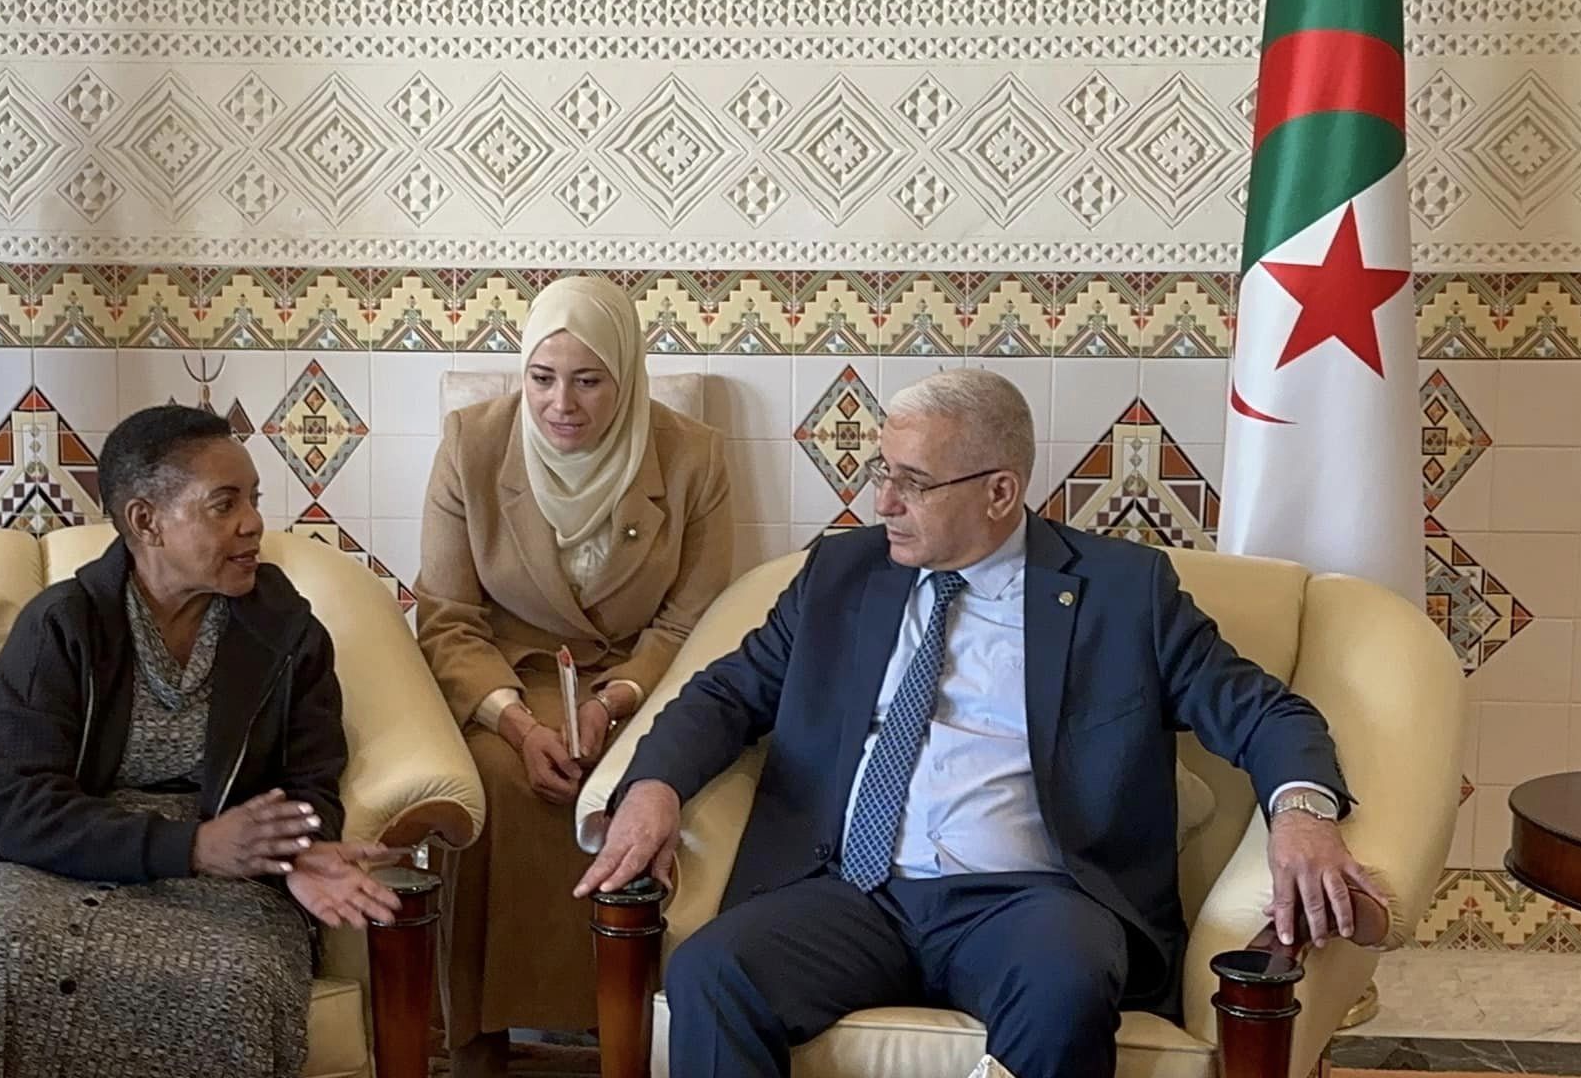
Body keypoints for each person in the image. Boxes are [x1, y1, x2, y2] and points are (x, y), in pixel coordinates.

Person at [576, 369, 1381, 1078]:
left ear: (1000, 492)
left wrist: (1304, 814)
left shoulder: (1121, 593)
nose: (883, 502)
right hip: (852, 896)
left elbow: (1263, 712)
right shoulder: (840, 574)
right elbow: (726, 694)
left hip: (1031, 902)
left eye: (914, 482)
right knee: (715, 972)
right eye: (883, 474)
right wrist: (654, 786)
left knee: (1064, 985)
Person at [0, 404, 402, 1078]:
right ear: (146, 521)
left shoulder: (289, 635)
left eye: (252, 499)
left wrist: (297, 853)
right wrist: (190, 847)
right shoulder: (60, 627)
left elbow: (311, 781)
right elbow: (20, 808)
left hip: (231, 879)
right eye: (223, 505)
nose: (252, 522)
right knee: (4, 949)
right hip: (52, 864)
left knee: (239, 975)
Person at [416, 275, 735, 1075]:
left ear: (626, 378)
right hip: (506, 679)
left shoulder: (693, 456)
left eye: (589, 380)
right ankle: (478, 1037)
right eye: (542, 377)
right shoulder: (472, 443)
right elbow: (448, 616)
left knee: (636, 780)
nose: (563, 404)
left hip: (643, 681)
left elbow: (689, 622)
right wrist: (517, 725)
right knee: (492, 781)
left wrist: (614, 699)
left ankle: (621, 1032)